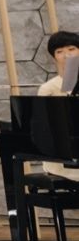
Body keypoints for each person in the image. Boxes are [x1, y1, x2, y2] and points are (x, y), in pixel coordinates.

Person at [36, 30, 79, 182]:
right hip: (62, 158)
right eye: (59, 51)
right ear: (54, 57)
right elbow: (44, 129)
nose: (66, 55)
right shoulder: (48, 88)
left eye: (71, 49)